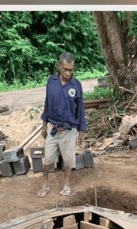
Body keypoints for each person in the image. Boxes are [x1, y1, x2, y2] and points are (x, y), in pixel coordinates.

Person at [38, 52, 86, 197]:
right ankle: (45, 183)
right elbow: (47, 103)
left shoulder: (76, 85)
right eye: (65, 69)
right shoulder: (51, 81)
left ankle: (66, 183)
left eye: (70, 70)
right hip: (52, 128)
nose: (67, 73)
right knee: (47, 158)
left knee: (69, 159)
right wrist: (44, 124)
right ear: (59, 66)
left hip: (69, 130)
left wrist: (81, 132)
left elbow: (81, 109)